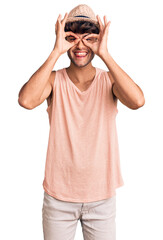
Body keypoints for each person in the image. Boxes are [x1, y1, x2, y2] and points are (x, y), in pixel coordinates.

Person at [18, 4, 145, 240]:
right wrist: (56, 51)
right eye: (72, 37)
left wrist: (105, 53)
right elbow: (26, 100)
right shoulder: (54, 81)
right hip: (58, 198)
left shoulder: (109, 81)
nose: (80, 45)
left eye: (88, 38)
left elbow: (138, 101)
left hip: (101, 198)